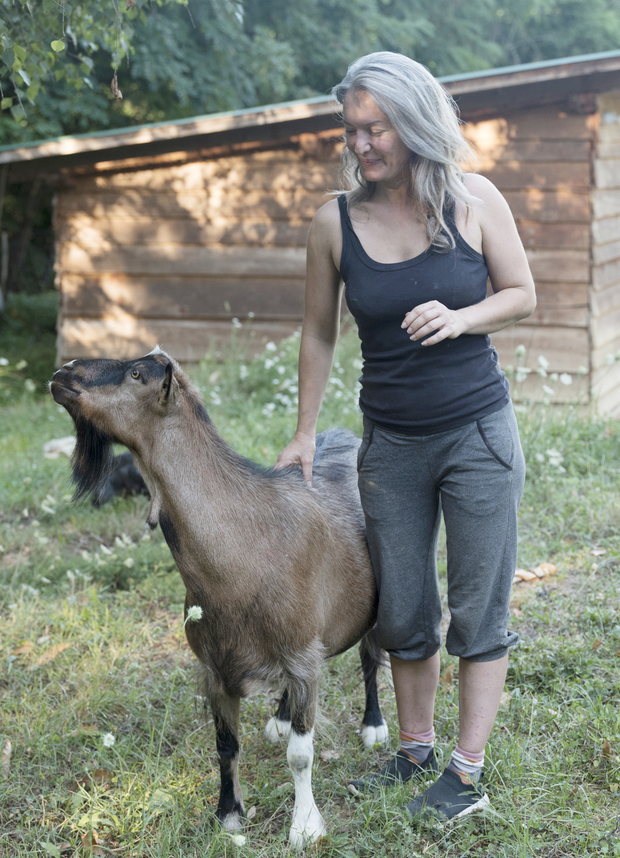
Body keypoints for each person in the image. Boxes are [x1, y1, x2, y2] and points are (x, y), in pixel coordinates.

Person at [275, 51, 536, 823]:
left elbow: (523, 292)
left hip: (478, 435)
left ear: (415, 121)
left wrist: (462, 317)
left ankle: (465, 774)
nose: (361, 144)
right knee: (404, 610)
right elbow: (318, 334)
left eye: (376, 128)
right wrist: (304, 431)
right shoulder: (335, 222)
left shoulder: (475, 200)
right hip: (389, 444)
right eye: (351, 130)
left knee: (479, 606)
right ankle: (415, 749)